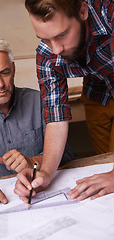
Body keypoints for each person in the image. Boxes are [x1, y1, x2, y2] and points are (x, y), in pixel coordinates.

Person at [0, 35, 72, 208]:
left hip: (40, 195)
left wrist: (34, 162)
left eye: (5, 72)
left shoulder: (40, 102)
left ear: (13, 69)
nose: (0, 84)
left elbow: (67, 154)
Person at [14, 0, 114, 202]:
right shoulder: (47, 54)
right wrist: (46, 173)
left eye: (61, 35)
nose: (56, 49)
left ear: (83, 11)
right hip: (98, 95)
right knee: (105, 162)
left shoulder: (110, 14)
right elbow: (56, 117)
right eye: (45, 38)